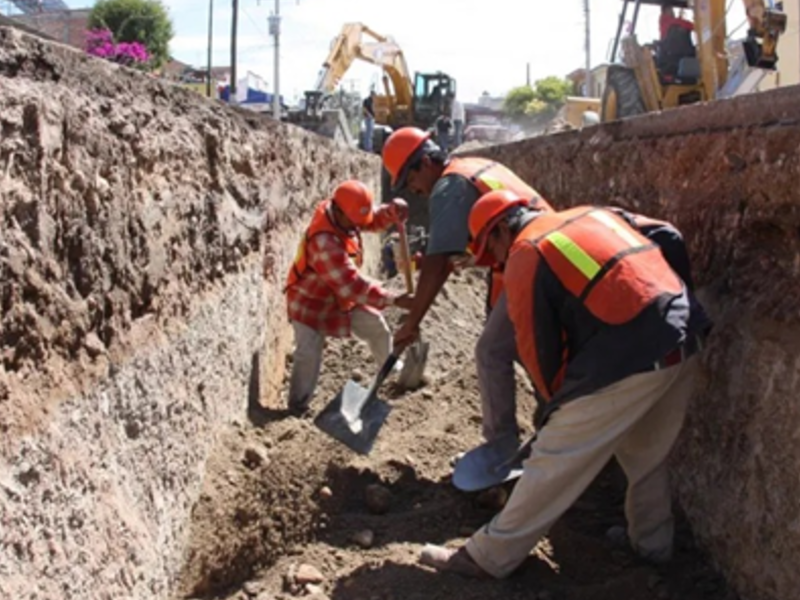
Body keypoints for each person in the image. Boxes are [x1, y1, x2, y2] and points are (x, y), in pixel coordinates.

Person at [419, 189, 712, 579]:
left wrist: (554, 411)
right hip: (684, 335)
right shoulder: (591, 213)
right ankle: (652, 547)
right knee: (645, 454)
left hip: (632, 355)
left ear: (502, 230)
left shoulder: (525, 252)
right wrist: (676, 304)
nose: (500, 263)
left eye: (495, 254)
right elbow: (668, 235)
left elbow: (538, 349)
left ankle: (486, 557)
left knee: (552, 460)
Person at [381, 126, 554, 448]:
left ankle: (500, 450)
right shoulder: (472, 167)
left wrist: (412, 321)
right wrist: (477, 257)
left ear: (425, 163)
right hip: (541, 256)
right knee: (525, 349)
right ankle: (548, 436)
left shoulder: (449, 186)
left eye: (410, 180)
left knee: (491, 351)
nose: (415, 191)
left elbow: (437, 262)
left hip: (533, 264)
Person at [283, 180, 413, 416]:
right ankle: (296, 410)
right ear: (339, 211)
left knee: (376, 327)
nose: (356, 228)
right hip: (309, 302)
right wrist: (394, 299)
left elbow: (369, 219)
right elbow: (353, 287)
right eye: (352, 223)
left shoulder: (343, 214)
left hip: (336, 297)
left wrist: (390, 213)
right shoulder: (325, 242)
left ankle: (394, 373)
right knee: (308, 353)